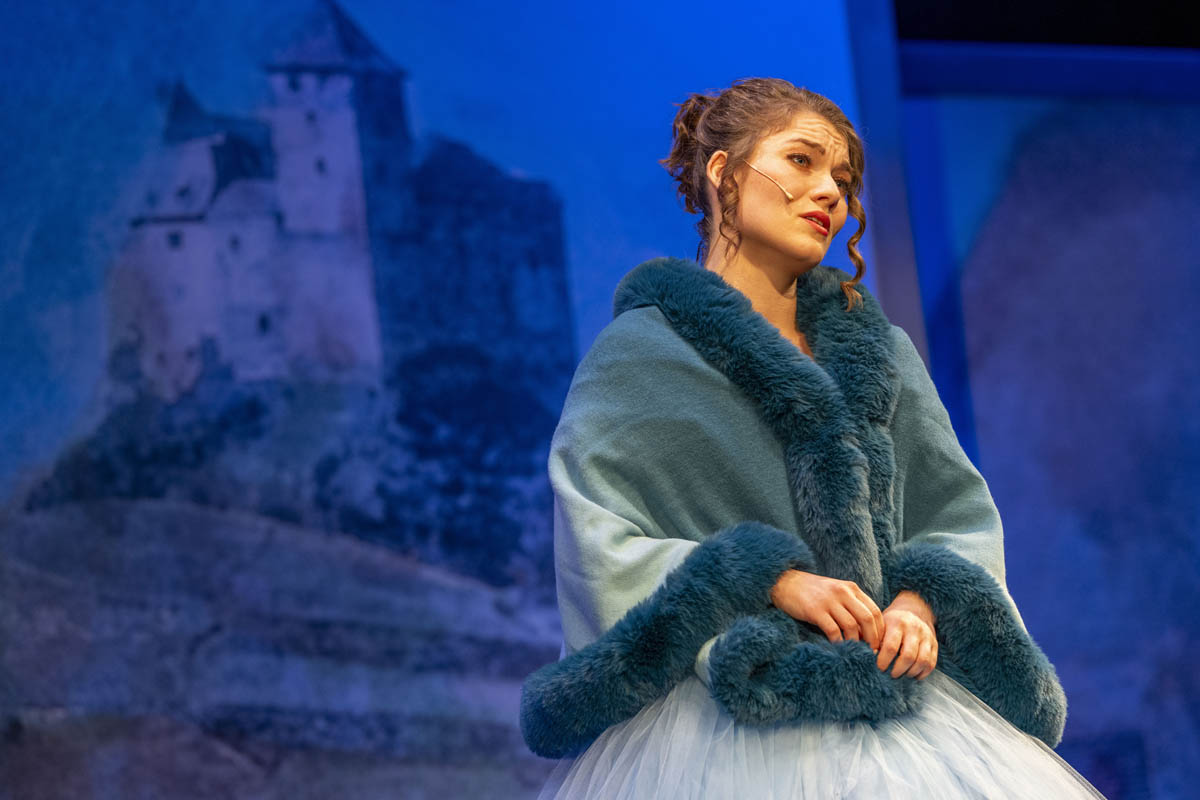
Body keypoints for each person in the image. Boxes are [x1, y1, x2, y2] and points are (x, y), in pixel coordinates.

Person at [520, 78, 1106, 799]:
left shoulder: (881, 355)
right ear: (723, 172)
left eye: (843, 179)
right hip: (716, 722)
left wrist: (922, 602)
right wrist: (767, 579)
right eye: (801, 160)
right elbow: (599, 535)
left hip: (901, 716)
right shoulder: (641, 357)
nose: (829, 191)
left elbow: (956, 514)